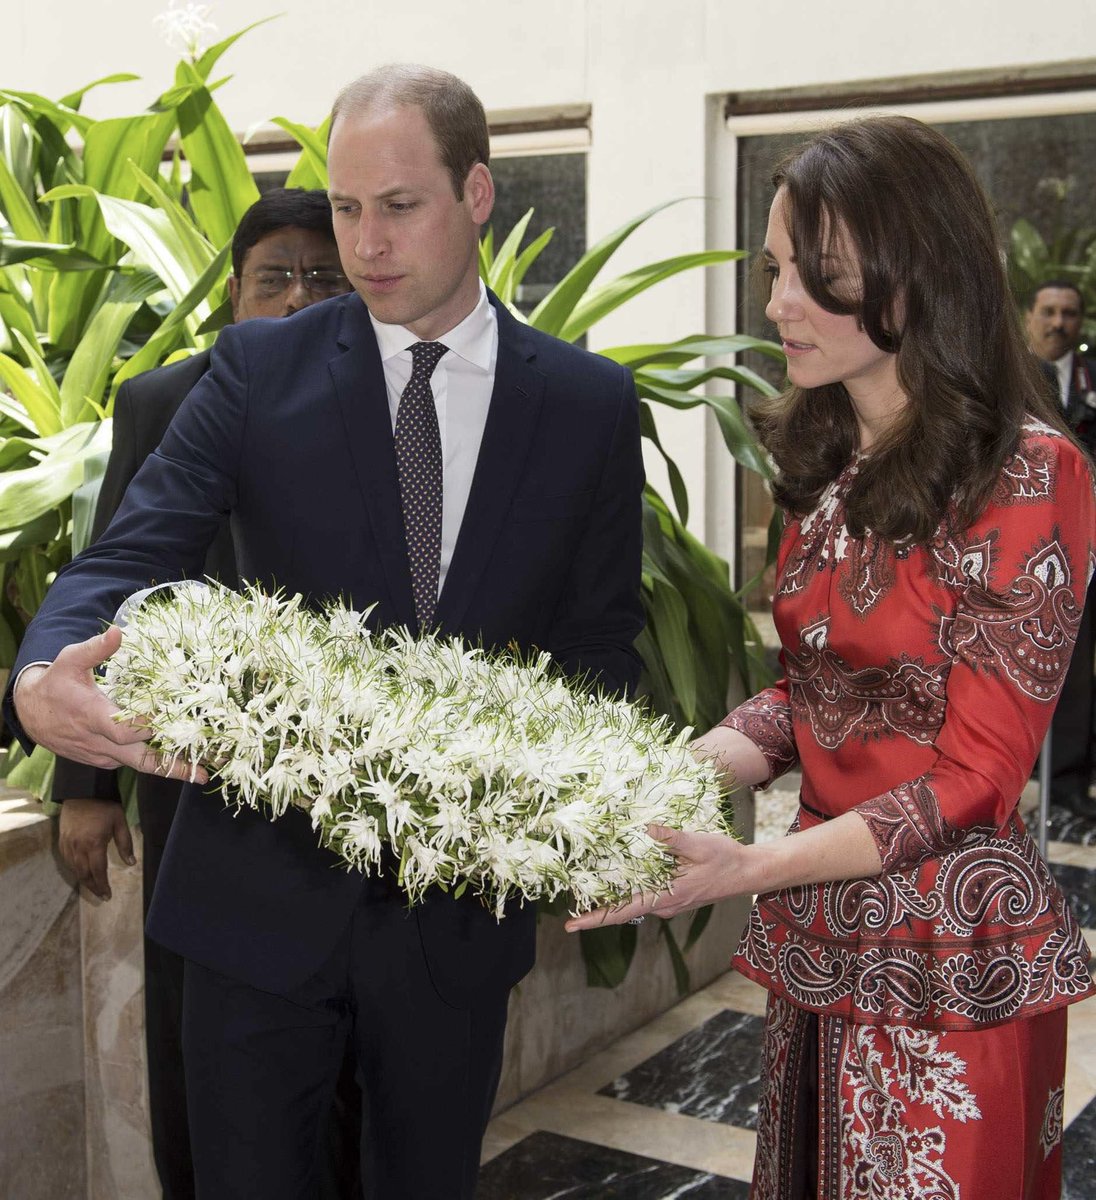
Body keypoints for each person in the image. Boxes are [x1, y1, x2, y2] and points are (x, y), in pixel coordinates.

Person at [6, 64, 643, 1200]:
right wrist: (42, 674)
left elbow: (596, 651)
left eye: (399, 206)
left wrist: (565, 829)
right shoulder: (257, 370)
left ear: (479, 193)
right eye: (347, 208)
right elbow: (126, 552)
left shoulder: (587, 406)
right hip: (252, 908)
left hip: (455, 927)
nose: (365, 244)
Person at [568, 116, 1096, 1198]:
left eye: (822, 277)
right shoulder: (823, 457)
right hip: (822, 937)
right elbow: (808, 693)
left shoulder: (1030, 474)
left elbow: (978, 775)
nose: (776, 305)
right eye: (774, 273)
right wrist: (672, 773)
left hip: (949, 959)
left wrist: (753, 867)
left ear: (917, 276)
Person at [49, 187, 361, 1200]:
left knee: (340, 1047)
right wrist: (83, 784)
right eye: (274, 276)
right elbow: (109, 579)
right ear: (233, 293)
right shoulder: (161, 401)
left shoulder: (393, 407)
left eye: (324, 276)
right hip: (184, 771)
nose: (296, 297)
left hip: (339, 781)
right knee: (195, 1036)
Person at [1025, 280, 1096, 818]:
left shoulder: (1090, 381)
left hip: (1086, 545)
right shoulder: (1016, 378)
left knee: (1077, 670)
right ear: (1031, 317)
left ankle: (1069, 786)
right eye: (1048, 312)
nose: (1058, 323)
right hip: (1029, 546)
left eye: (1068, 314)